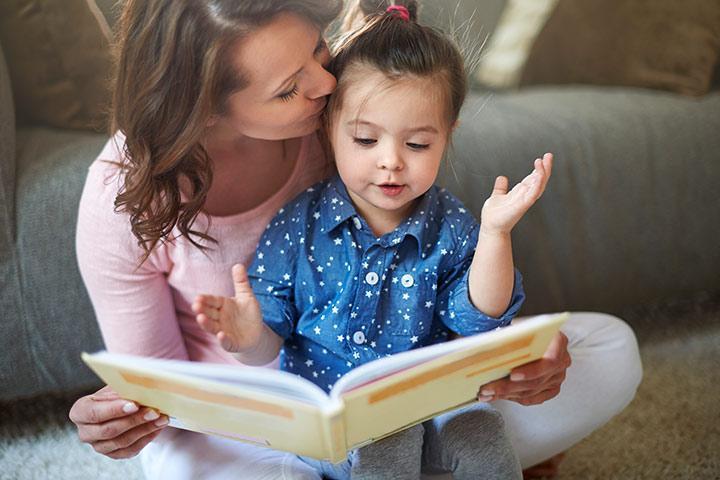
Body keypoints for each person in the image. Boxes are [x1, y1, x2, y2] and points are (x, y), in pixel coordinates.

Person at [68, 1, 642, 479]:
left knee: (608, 348)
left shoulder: (343, 113)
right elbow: (158, 392)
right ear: (203, 105)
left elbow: (459, 299)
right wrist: (117, 416)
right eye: (290, 88)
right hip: (255, 422)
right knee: (181, 462)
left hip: (416, 388)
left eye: (317, 50)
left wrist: (523, 363)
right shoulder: (124, 199)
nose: (325, 84)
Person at [193, 4, 547, 478]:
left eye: (418, 144)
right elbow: (267, 342)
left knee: (481, 430)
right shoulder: (300, 224)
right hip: (333, 426)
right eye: (365, 140)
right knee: (388, 432)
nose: (391, 162)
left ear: (447, 136)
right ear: (328, 130)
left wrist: (495, 234)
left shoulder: (452, 224)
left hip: (432, 409)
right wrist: (247, 336)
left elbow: (478, 320)